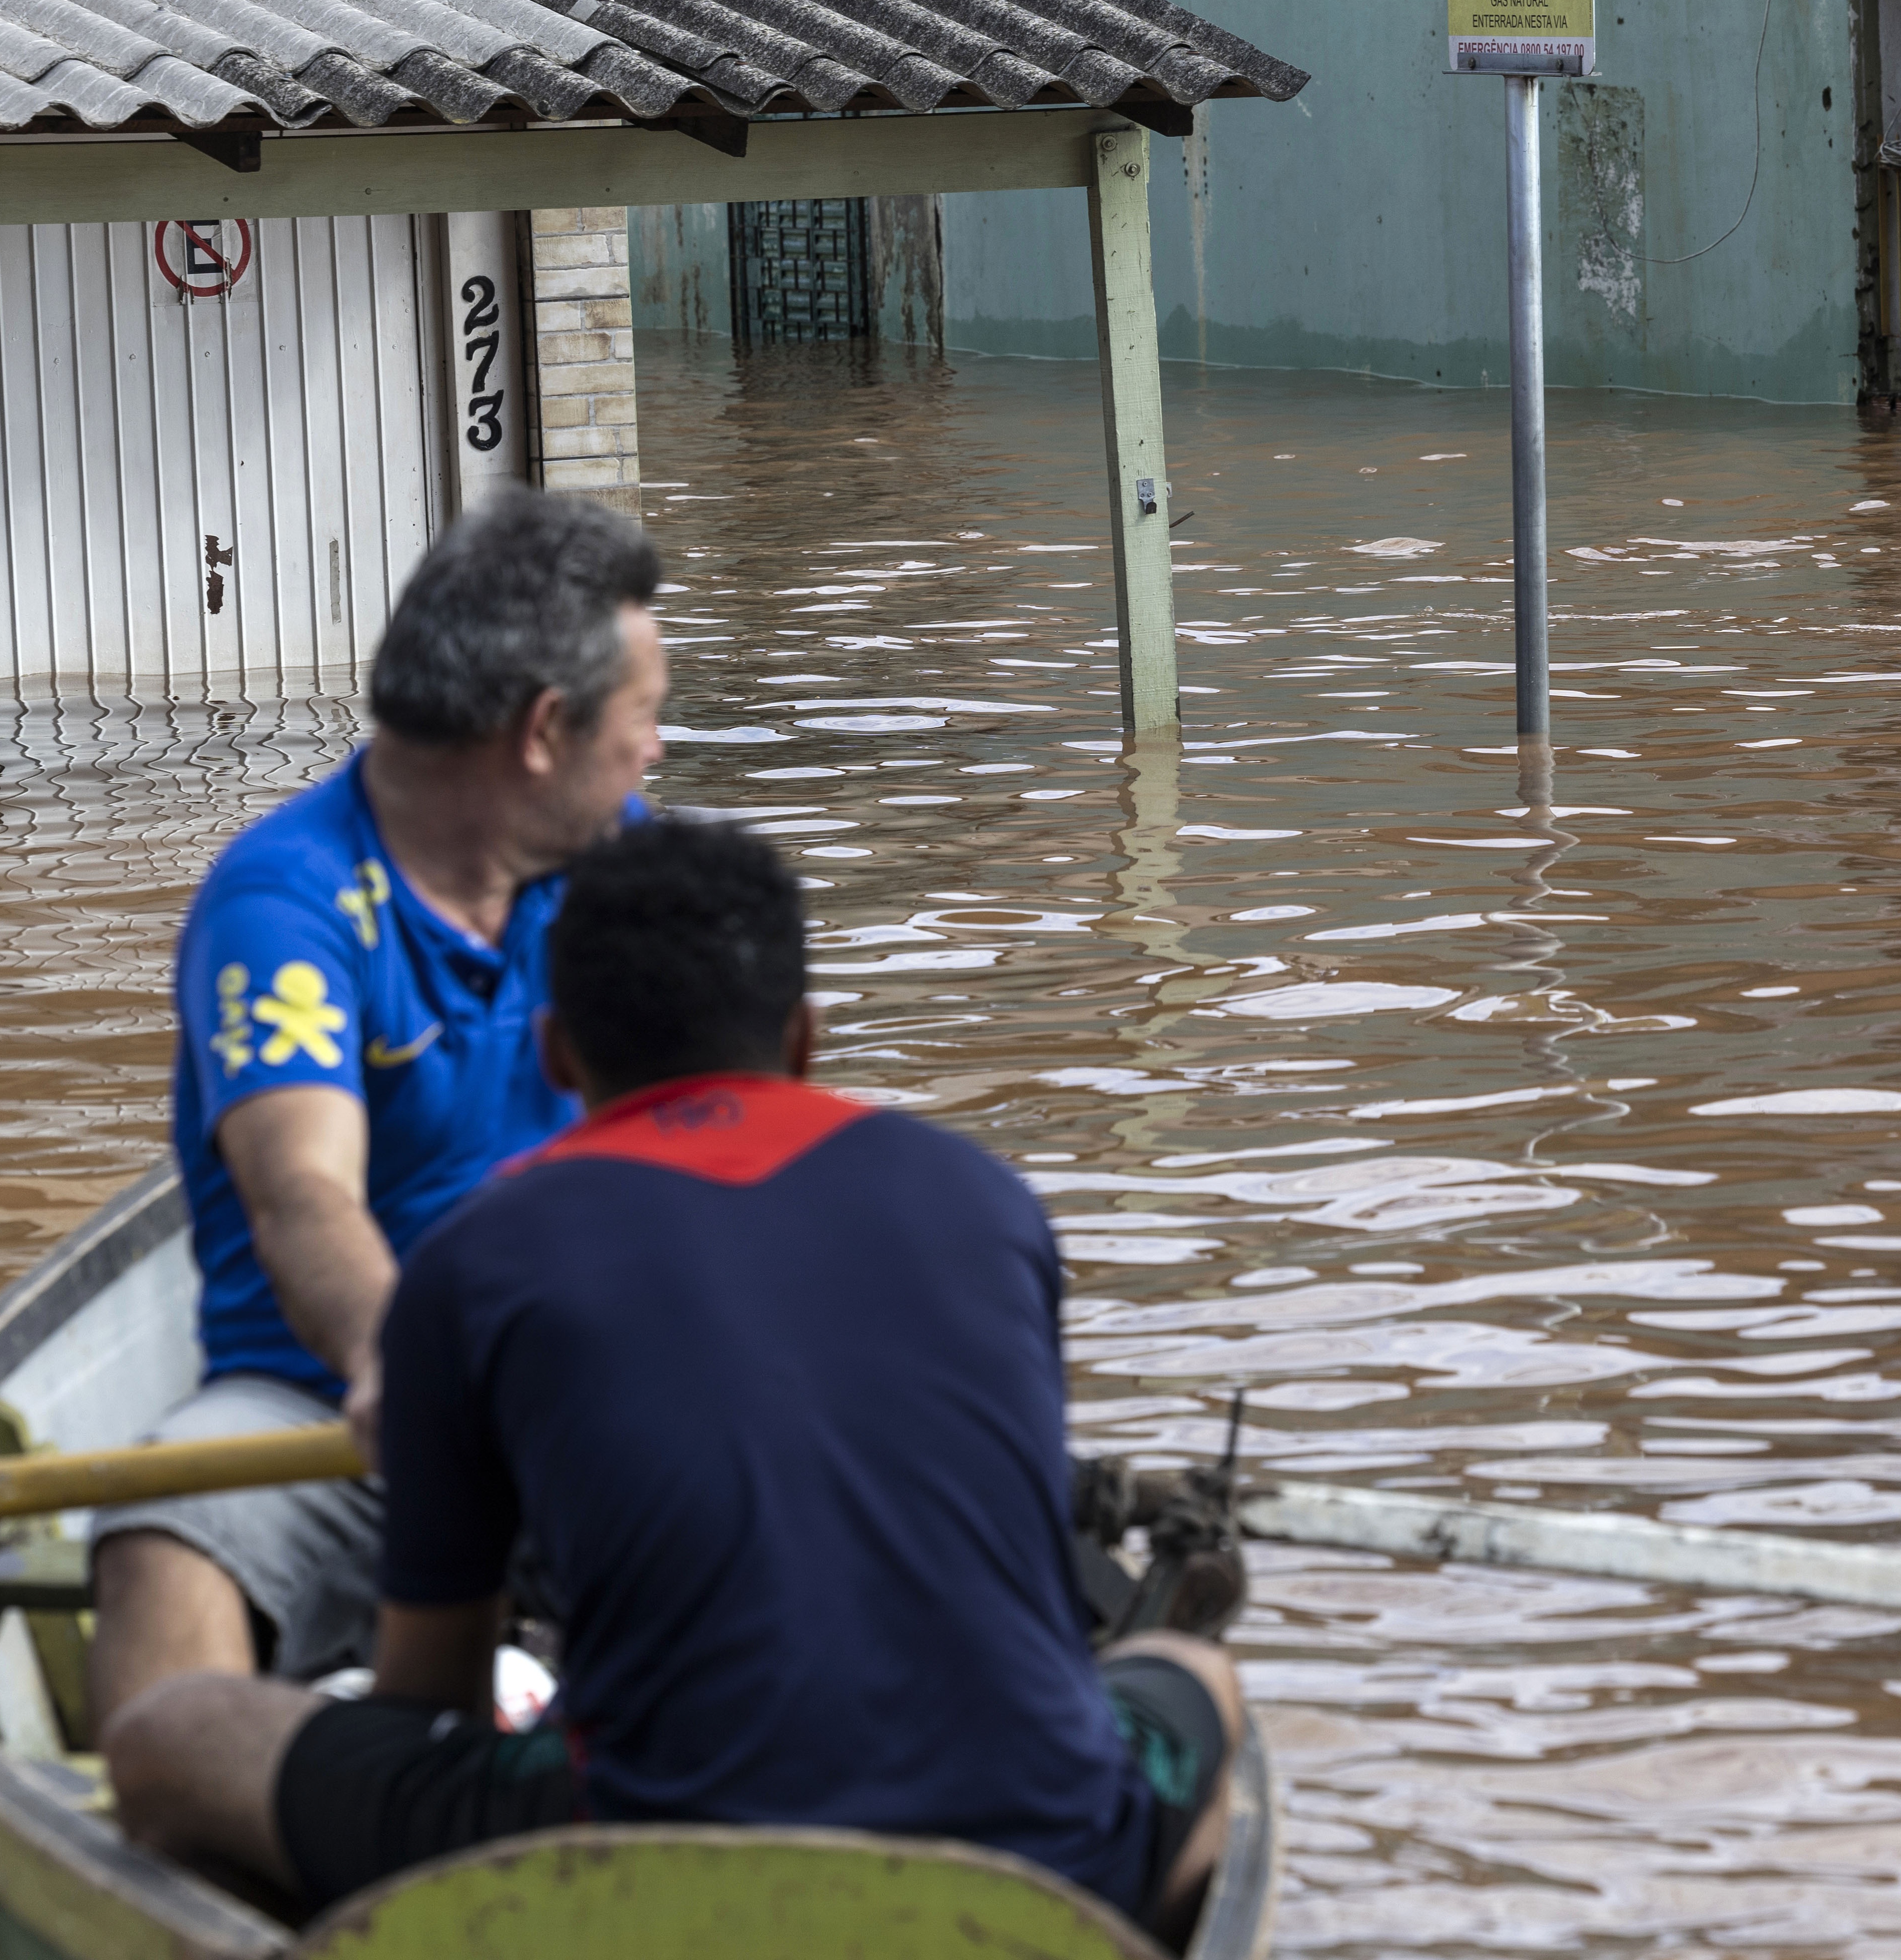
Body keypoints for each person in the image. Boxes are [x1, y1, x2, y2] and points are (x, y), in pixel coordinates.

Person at [104, 821, 1244, 1945]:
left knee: (171, 1733)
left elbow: (430, 1697)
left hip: (650, 1843)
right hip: (1046, 1846)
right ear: (804, 1036)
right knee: (1197, 1679)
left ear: (557, 1054)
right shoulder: (988, 1202)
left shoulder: (476, 1258)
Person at [88, 490, 668, 1736]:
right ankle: (183, 1872)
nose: (654, 755)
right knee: (158, 1546)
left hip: (587, 1384)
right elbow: (305, 1194)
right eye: (644, 722)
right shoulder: (287, 904)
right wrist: (406, 1371)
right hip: (329, 1407)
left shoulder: (624, 861)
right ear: (544, 731)